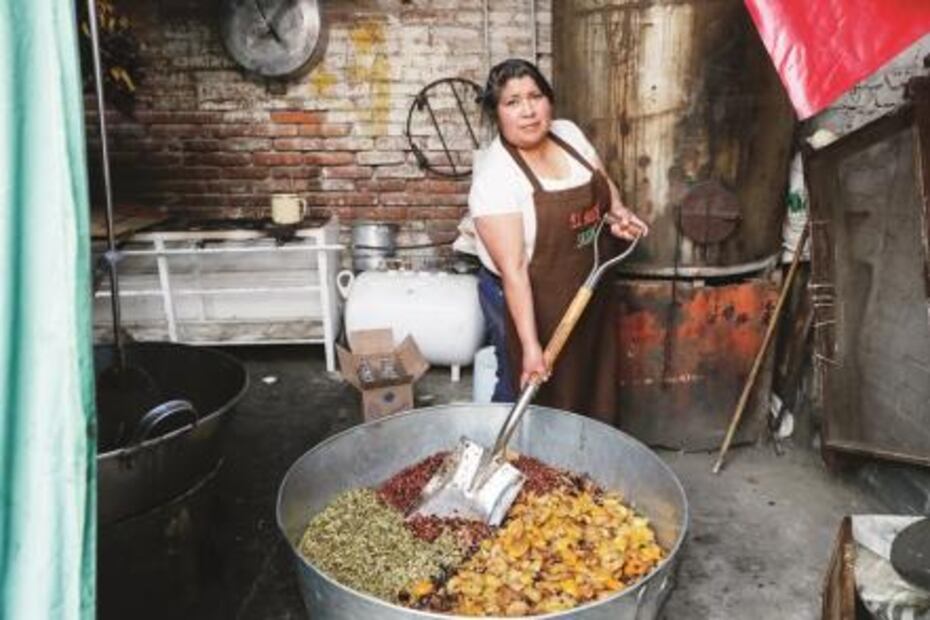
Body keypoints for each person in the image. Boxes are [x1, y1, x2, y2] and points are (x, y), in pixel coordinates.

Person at [469, 58, 648, 424]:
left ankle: (581, 463)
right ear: (497, 114)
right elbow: (515, 271)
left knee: (588, 378)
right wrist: (532, 347)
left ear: (549, 100)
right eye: (513, 102)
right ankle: (505, 456)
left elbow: (600, 178)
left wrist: (617, 211)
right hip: (524, 297)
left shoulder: (567, 133)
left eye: (535, 96)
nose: (528, 111)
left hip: (586, 287)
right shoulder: (495, 179)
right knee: (527, 383)